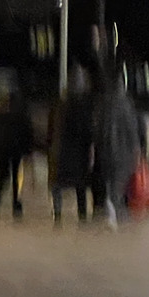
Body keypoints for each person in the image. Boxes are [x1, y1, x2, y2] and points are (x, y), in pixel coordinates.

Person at [93, 77, 144, 228]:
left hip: (107, 154)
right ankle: (119, 218)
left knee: (110, 186)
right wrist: (137, 153)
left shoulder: (104, 106)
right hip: (125, 156)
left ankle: (112, 215)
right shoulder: (128, 106)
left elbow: (98, 132)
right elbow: (134, 132)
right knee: (120, 188)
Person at [48, 66, 94, 225]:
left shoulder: (60, 105)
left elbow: (51, 131)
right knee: (80, 187)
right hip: (79, 154)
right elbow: (89, 132)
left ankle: (58, 217)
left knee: (57, 184)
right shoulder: (85, 107)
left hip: (62, 152)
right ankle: (82, 217)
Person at [0, 88, 33, 220]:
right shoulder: (21, 116)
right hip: (15, 151)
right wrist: (28, 152)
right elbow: (27, 134)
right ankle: (16, 205)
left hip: (1, 151)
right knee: (16, 179)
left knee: (0, 178)